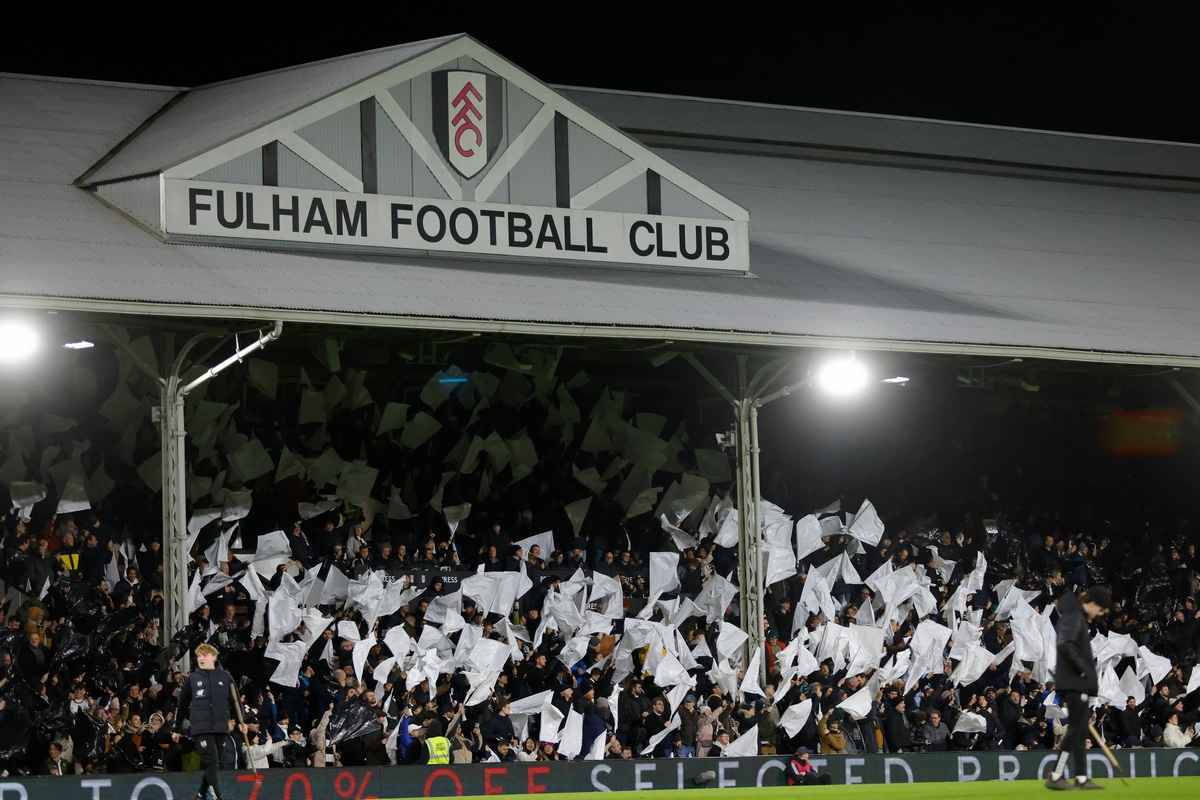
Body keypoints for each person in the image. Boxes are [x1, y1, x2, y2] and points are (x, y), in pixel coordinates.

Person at [1045, 586, 1111, 791]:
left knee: (1079, 731)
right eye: (1101, 609)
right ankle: (1057, 775)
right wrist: (1082, 670)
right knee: (1076, 730)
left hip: (1076, 682)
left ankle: (1080, 777)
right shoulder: (1074, 615)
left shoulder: (1074, 615)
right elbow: (1065, 643)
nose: (1100, 614)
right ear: (1093, 602)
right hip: (1076, 683)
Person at [172, 643, 243, 800]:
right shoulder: (193, 679)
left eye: (204, 655)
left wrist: (241, 722)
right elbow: (182, 705)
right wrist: (177, 729)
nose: (201, 659)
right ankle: (218, 797)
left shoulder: (226, 677)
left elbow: (236, 701)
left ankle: (200, 794)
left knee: (214, 763)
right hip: (201, 727)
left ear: (214, 657)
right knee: (212, 762)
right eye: (199, 656)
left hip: (221, 726)